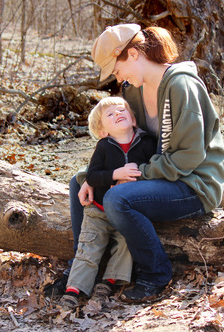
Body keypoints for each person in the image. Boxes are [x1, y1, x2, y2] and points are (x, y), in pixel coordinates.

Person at [46, 23, 224, 304]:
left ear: (132, 54)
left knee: (118, 199)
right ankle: (82, 268)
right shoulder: (133, 90)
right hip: (160, 174)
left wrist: (141, 173)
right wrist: (94, 176)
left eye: (116, 69)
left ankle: (155, 274)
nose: (118, 78)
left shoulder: (182, 85)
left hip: (193, 183)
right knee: (78, 183)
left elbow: (189, 157)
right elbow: (131, 145)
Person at [59, 96, 157, 309]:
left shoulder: (147, 143)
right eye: (110, 115)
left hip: (128, 211)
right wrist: (116, 174)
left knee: (126, 246)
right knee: (89, 246)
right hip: (99, 211)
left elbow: (155, 169)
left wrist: (132, 178)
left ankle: (108, 282)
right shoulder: (104, 146)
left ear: (133, 120)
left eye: (122, 110)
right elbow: (92, 177)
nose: (118, 114)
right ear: (103, 131)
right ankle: (74, 289)